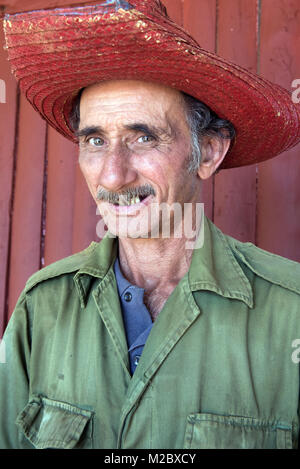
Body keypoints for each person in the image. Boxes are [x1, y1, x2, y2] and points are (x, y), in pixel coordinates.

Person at [1, 0, 300, 450]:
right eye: (96, 140)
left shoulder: (290, 310)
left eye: (144, 137)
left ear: (209, 154)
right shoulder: (42, 306)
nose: (113, 175)